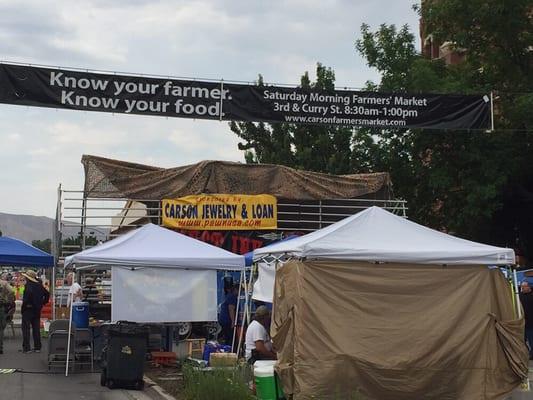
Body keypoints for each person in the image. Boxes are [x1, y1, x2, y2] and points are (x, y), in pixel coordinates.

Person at [21, 270, 49, 353]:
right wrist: (43, 302)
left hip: (28, 309)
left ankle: (27, 348)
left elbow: (26, 299)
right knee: (36, 328)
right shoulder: (39, 285)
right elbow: (47, 294)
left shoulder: (28, 286)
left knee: (26, 329)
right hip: (37, 309)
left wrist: (23, 308)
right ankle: (37, 347)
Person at [0, 274, 15, 355]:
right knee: (0, 329)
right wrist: (7, 299)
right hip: (1, 306)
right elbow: (12, 291)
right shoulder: (4, 283)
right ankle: (0, 348)